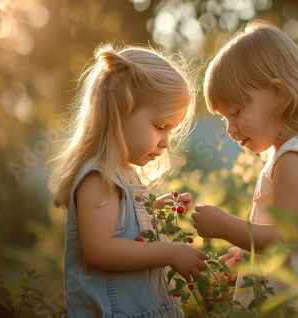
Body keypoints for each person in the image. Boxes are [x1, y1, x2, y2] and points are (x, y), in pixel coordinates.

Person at [191, 20, 298, 308]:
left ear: (278, 93)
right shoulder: (291, 152)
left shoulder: (292, 158)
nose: (230, 128)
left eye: (237, 111)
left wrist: (226, 226)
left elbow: (287, 238)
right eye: (224, 117)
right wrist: (249, 255)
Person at [47, 44, 208, 318]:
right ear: (121, 110)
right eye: (160, 126)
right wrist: (170, 252)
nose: (166, 141)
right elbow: (100, 250)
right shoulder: (99, 178)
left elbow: (122, 229)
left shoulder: (124, 174)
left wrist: (154, 211)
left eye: (171, 130)